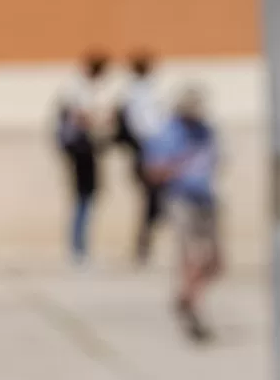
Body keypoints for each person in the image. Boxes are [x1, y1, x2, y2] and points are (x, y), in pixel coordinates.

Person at [144, 85, 222, 343]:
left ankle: (185, 299)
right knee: (190, 256)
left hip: (206, 198)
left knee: (215, 261)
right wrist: (177, 165)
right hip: (181, 199)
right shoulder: (168, 133)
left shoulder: (206, 131)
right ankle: (191, 306)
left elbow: (216, 160)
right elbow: (153, 171)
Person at [55, 52, 110, 266]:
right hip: (81, 149)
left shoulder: (85, 88)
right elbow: (81, 116)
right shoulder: (77, 88)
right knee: (83, 197)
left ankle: (80, 245)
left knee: (86, 197)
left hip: (86, 149)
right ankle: (78, 247)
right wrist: (99, 121)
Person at [114, 52, 168, 265]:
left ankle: (145, 245)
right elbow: (147, 125)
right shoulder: (139, 93)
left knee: (154, 201)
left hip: (149, 150)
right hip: (148, 151)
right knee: (152, 200)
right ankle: (143, 246)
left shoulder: (136, 92)